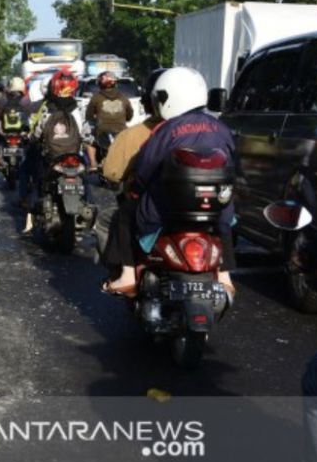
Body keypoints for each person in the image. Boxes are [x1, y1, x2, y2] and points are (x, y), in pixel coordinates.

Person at [133, 66, 236, 298]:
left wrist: (136, 189)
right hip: (216, 210)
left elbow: (144, 168)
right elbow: (233, 165)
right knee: (228, 221)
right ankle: (226, 275)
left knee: (134, 215)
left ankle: (135, 270)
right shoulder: (222, 128)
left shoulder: (167, 130)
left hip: (168, 210)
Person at [98, 68, 165, 295]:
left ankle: (121, 273)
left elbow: (112, 173)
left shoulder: (135, 135)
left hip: (147, 207)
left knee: (110, 219)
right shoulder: (201, 130)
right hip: (193, 206)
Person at [19, 69, 83, 234]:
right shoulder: (76, 107)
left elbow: (39, 131)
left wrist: (33, 138)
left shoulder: (47, 107)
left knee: (38, 179)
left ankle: (30, 217)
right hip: (74, 155)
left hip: (52, 156)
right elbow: (84, 131)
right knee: (85, 178)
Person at [84, 71, 134, 171]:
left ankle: (93, 164)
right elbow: (130, 116)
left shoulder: (96, 97)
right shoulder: (123, 97)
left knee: (87, 140)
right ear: (115, 83)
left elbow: (88, 116)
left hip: (102, 131)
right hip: (121, 131)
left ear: (100, 83)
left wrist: (96, 118)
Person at [0, 77, 30, 169]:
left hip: (4, 131)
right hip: (22, 131)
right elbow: (30, 114)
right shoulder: (26, 100)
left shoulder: (2, 100)